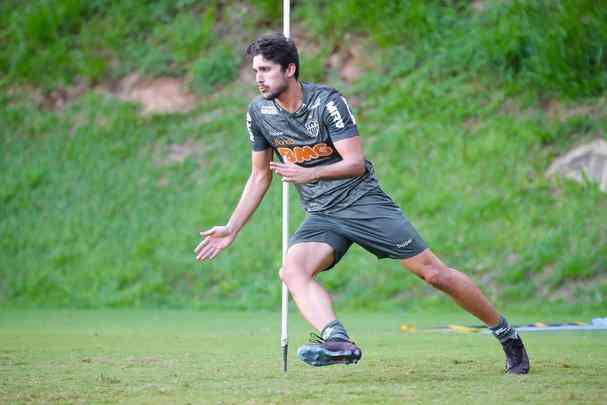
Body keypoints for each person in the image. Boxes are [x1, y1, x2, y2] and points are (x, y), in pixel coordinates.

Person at [195, 32, 530, 374]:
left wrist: (309, 175)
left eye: (266, 70)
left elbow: (355, 162)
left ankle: (506, 334)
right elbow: (259, 176)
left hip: (362, 202)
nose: (259, 79)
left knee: (434, 275)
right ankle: (337, 340)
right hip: (322, 215)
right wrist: (232, 228)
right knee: (292, 270)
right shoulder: (259, 113)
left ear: (290, 69)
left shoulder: (327, 103)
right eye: (255, 71)